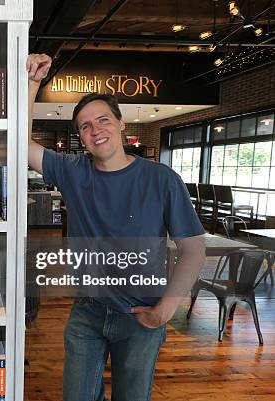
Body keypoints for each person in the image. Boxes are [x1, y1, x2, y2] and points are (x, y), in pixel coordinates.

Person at [26, 53, 206, 401]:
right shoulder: (73, 172)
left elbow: (193, 248)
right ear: (80, 136)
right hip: (87, 312)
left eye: (103, 120)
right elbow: (21, 144)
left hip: (140, 317)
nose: (96, 130)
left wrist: (164, 311)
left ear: (122, 124)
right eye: (85, 126)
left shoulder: (161, 179)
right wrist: (33, 84)